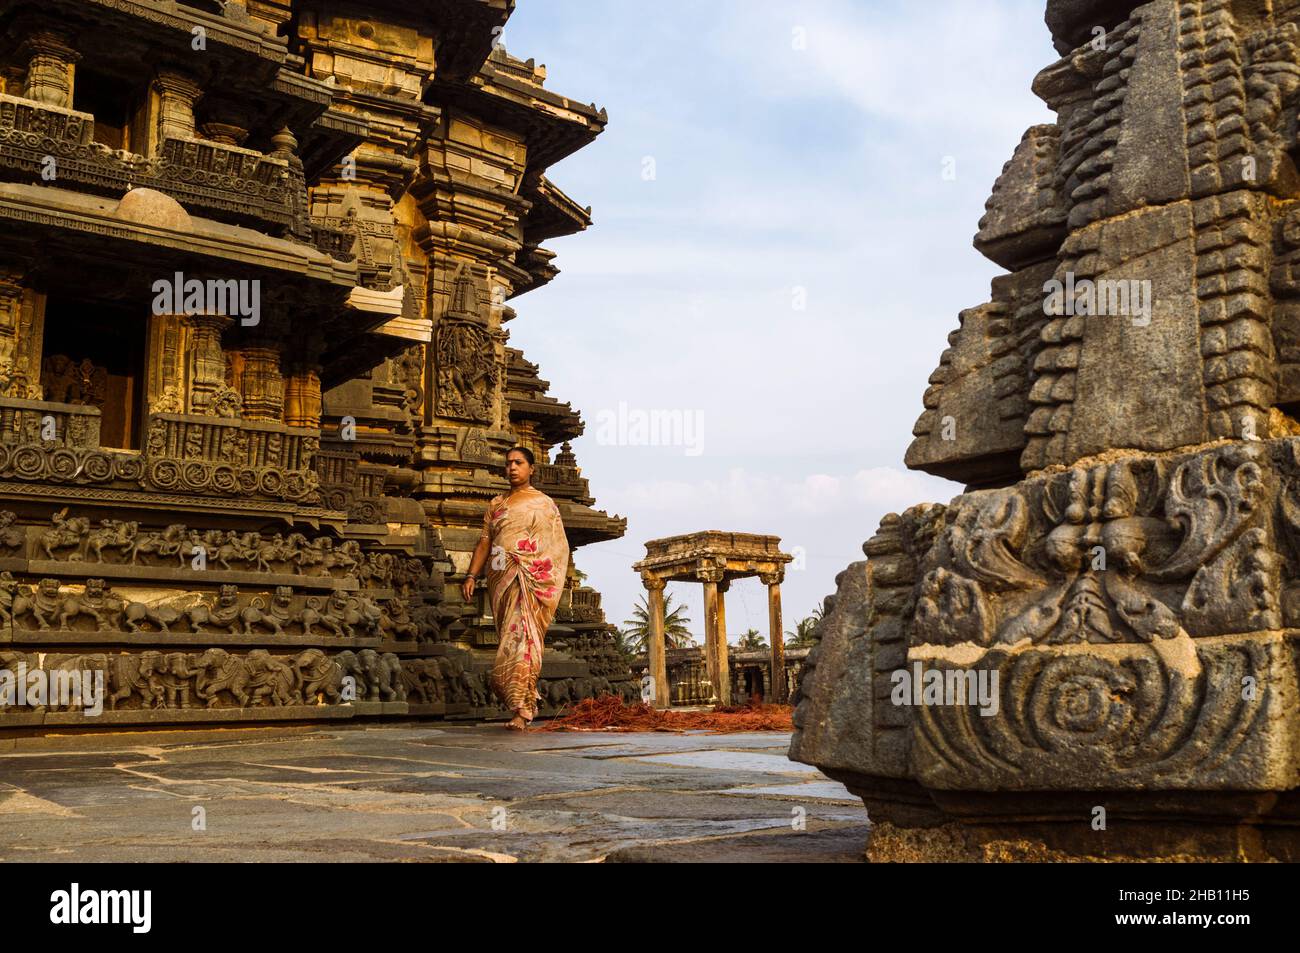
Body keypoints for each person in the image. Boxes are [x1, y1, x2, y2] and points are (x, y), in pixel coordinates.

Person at [462, 446, 569, 730]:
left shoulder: (544, 504)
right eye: (508, 463)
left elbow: (556, 547)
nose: (512, 468)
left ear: (531, 468)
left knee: (525, 640)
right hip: (500, 581)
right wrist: (471, 575)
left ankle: (523, 710)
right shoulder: (496, 504)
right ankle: (522, 701)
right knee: (509, 641)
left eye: (519, 463)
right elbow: (485, 542)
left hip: (529, 581)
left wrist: (529, 564)